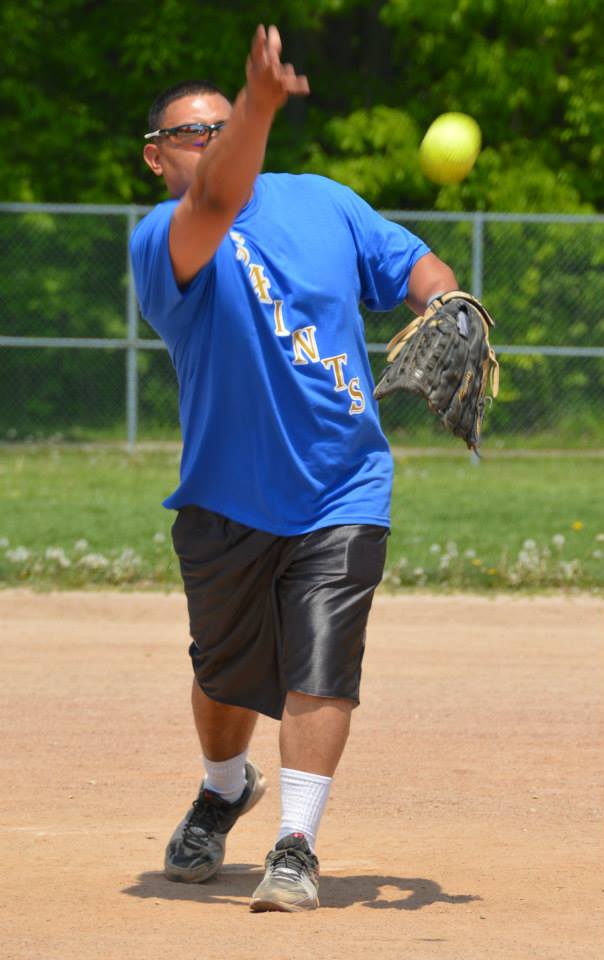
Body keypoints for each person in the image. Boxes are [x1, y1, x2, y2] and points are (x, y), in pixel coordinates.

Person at [130, 24, 458, 914]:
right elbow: (218, 200)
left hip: (344, 483)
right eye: (187, 134)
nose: (205, 141)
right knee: (224, 672)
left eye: (217, 125)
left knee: (322, 660)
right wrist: (259, 105)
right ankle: (224, 785)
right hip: (226, 496)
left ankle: (296, 845)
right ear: (156, 159)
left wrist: (448, 300)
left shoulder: (322, 201)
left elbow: (410, 262)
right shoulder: (165, 238)